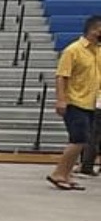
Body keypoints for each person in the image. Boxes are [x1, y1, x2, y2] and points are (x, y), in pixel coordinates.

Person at [46, 14, 101, 190]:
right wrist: (61, 99)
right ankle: (58, 173)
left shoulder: (97, 51)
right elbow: (61, 76)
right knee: (78, 139)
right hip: (74, 101)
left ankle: (66, 174)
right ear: (93, 29)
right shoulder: (73, 50)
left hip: (91, 102)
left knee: (82, 140)